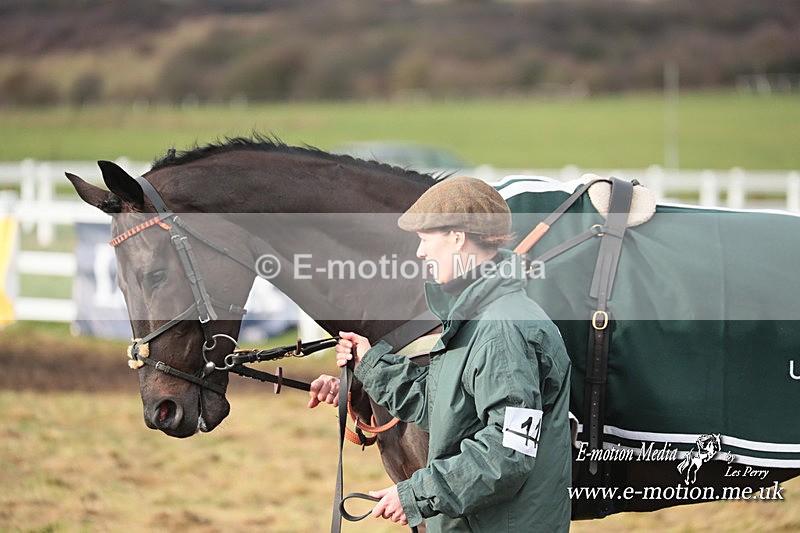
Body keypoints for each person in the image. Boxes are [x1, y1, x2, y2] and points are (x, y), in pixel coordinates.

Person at [308, 176, 572, 532]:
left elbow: (508, 453)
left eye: (425, 239)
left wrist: (415, 494)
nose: (420, 252)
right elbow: (440, 405)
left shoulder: (502, 330)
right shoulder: (475, 319)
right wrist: (369, 366)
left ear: (457, 238)